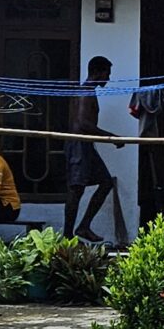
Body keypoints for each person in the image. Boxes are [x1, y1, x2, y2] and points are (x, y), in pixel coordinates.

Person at [64, 56, 132, 247]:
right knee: (76, 189)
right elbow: (82, 123)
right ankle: (68, 236)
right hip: (78, 145)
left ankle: (83, 226)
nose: (107, 78)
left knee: (105, 182)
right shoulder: (86, 92)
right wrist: (111, 137)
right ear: (97, 72)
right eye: (106, 74)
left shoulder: (89, 91)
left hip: (85, 146)